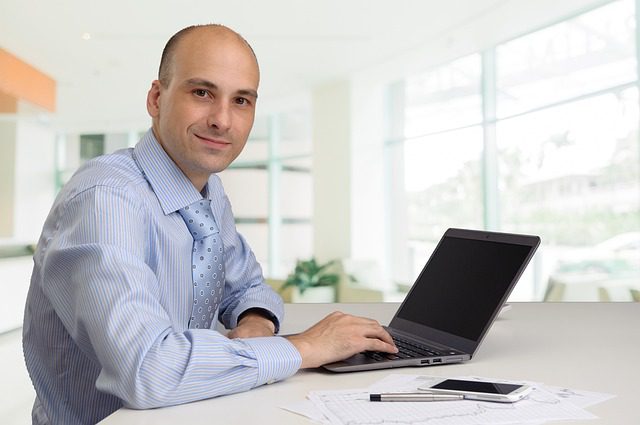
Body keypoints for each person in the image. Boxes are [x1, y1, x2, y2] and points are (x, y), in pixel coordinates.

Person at [22, 24, 397, 425]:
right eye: (202, 92)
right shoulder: (106, 200)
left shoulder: (207, 192)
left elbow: (247, 287)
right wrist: (304, 348)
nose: (222, 120)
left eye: (241, 100)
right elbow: (149, 369)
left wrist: (256, 320)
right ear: (156, 98)